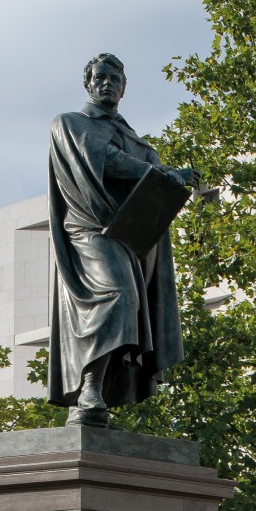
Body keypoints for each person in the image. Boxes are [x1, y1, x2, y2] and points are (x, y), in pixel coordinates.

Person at [47, 53, 198, 424]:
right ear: (88, 83)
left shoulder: (140, 143)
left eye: (115, 78)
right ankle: (89, 388)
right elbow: (107, 160)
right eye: (99, 77)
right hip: (88, 232)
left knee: (130, 305)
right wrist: (162, 173)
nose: (107, 83)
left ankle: (98, 393)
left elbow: (148, 179)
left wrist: (169, 179)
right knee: (118, 295)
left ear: (124, 88)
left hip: (131, 240)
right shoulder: (71, 124)